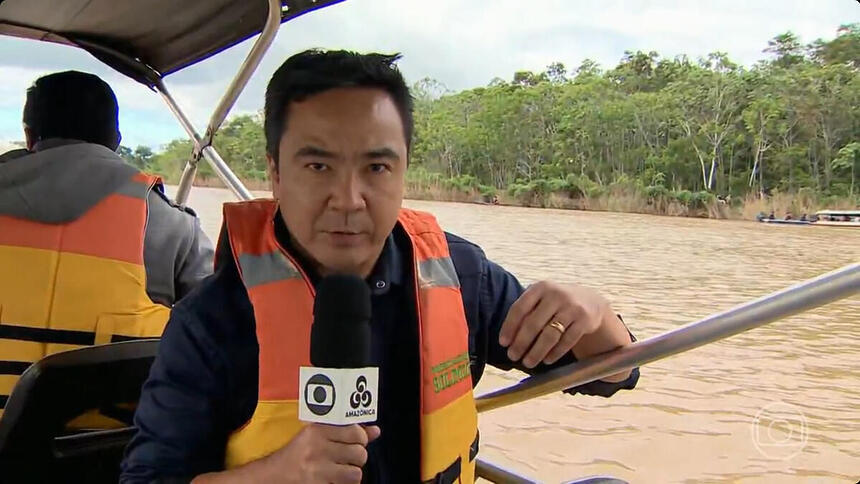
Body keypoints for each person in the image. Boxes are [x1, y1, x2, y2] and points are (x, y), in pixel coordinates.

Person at [120, 50, 639, 484]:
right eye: (318, 166)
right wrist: (276, 473)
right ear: (276, 174)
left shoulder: (459, 276)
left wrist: (595, 312)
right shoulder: (210, 322)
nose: (348, 199)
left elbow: (613, 372)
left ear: (404, 170)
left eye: (376, 167)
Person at [0, 71, 214, 417]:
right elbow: (222, 330)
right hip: (105, 452)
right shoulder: (170, 224)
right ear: (115, 140)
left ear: (28, 136)